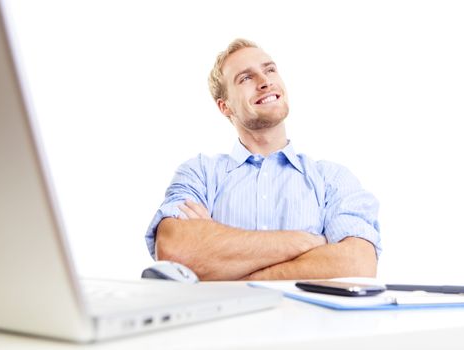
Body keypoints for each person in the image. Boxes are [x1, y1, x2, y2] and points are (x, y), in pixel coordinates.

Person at [145, 38, 381, 281]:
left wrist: (230, 268)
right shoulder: (200, 174)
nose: (265, 82)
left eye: (270, 70)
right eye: (246, 78)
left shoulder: (332, 179)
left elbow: (357, 266)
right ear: (225, 106)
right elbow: (175, 250)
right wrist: (309, 243)